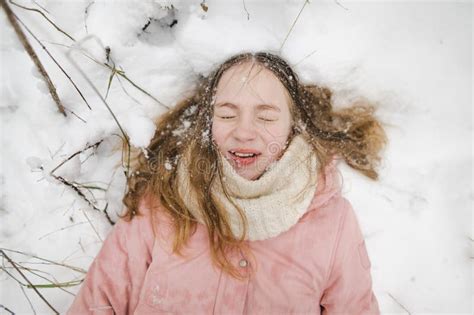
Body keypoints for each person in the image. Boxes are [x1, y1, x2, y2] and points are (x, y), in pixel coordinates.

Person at [67, 51, 387, 314]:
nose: (244, 132)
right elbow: (99, 303)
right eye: (227, 114)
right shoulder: (162, 202)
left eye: (266, 116)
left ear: (294, 127)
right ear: (207, 123)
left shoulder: (334, 222)